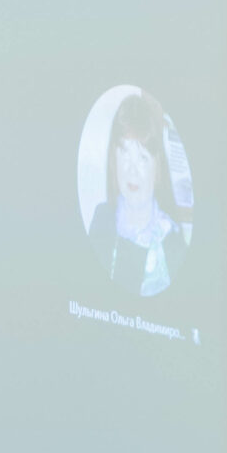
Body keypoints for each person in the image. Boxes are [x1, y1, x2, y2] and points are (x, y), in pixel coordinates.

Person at [84, 89, 188, 298]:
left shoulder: (172, 240)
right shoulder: (101, 221)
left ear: (157, 168)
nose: (132, 170)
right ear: (114, 160)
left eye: (142, 158)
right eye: (125, 153)